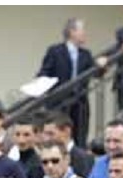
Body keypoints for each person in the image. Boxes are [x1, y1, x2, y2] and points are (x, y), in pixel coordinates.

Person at [38, 18, 102, 147]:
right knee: (56, 136)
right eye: (82, 30)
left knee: (79, 137)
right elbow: (44, 72)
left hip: (80, 102)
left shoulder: (86, 54)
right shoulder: (55, 51)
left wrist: (101, 66)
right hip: (58, 102)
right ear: (72, 32)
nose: (85, 33)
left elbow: (95, 74)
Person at [42, 111, 94, 178]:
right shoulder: (44, 155)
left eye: (51, 134)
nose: (46, 139)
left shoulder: (83, 158)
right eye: (45, 134)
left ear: (66, 131)